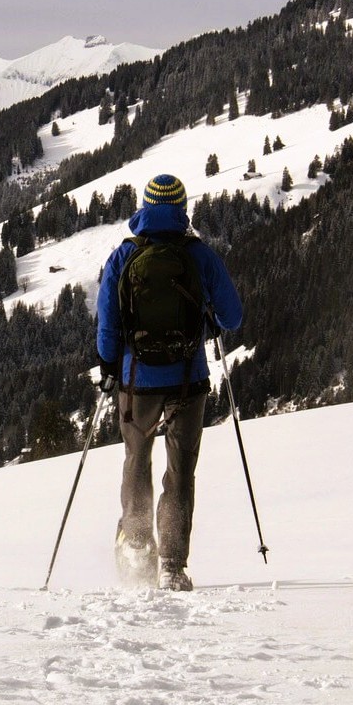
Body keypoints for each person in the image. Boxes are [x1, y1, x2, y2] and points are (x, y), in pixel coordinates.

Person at [96, 174, 242, 591]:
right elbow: (233, 317)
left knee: (136, 459)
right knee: (180, 471)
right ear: (182, 209)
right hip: (187, 381)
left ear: (144, 208)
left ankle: (137, 543)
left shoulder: (124, 255)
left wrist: (109, 367)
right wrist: (207, 313)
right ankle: (173, 566)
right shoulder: (199, 256)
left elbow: (107, 324)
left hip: (136, 380)